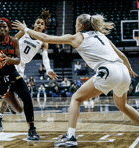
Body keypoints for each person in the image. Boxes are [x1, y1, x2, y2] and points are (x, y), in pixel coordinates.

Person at [13, 13, 138, 147]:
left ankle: (71, 136)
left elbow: (45, 37)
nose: (75, 26)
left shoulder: (77, 37)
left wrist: (25, 29)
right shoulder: (101, 35)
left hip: (109, 71)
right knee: (122, 106)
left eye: (76, 24)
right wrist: (129, 68)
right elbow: (122, 55)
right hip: (123, 71)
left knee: (76, 99)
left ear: (80, 25)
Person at [0, 9, 58, 133]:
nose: (39, 25)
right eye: (37, 23)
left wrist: (48, 69)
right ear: (34, 24)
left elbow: (45, 57)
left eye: (41, 24)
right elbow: (11, 41)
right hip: (12, 61)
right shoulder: (24, 32)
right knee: (9, 89)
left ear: (44, 27)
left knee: (11, 93)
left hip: (22, 66)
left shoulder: (43, 41)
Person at [0, 17, 40, 140]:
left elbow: (18, 60)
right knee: (19, 109)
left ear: (9, 28)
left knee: (26, 96)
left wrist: (8, 60)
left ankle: (32, 130)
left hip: (12, 74)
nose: (2, 29)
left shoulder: (14, 40)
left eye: (4, 27)